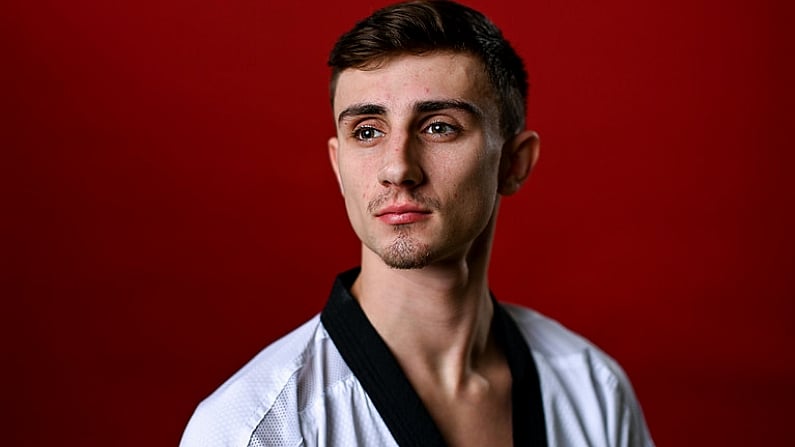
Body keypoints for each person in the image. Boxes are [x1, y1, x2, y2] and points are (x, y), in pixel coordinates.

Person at [180, 1, 654, 446]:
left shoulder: (593, 389)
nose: (397, 168)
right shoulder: (259, 427)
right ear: (337, 165)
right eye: (367, 132)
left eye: (439, 126)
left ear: (514, 163)